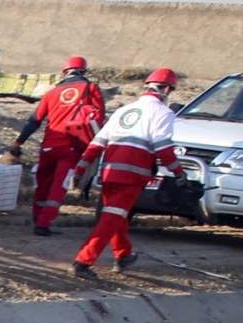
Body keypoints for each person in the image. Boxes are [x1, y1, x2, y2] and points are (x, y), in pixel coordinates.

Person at [73, 69, 180, 277]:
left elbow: (96, 144)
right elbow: (163, 148)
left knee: (116, 215)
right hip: (132, 176)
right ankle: (82, 262)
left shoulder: (123, 111)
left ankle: (124, 254)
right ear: (167, 89)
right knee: (111, 219)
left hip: (109, 173)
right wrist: (178, 173)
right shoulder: (163, 113)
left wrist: (80, 170)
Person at [14, 57, 106, 236]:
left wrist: (18, 142)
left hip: (48, 146)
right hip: (72, 148)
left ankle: (37, 217)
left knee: (43, 184)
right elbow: (99, 119)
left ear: (64, 72)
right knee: (59, 186)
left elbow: (34, 121)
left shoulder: (52, 93)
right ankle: (44, 224)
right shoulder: (91, 89)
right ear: (83, 71)